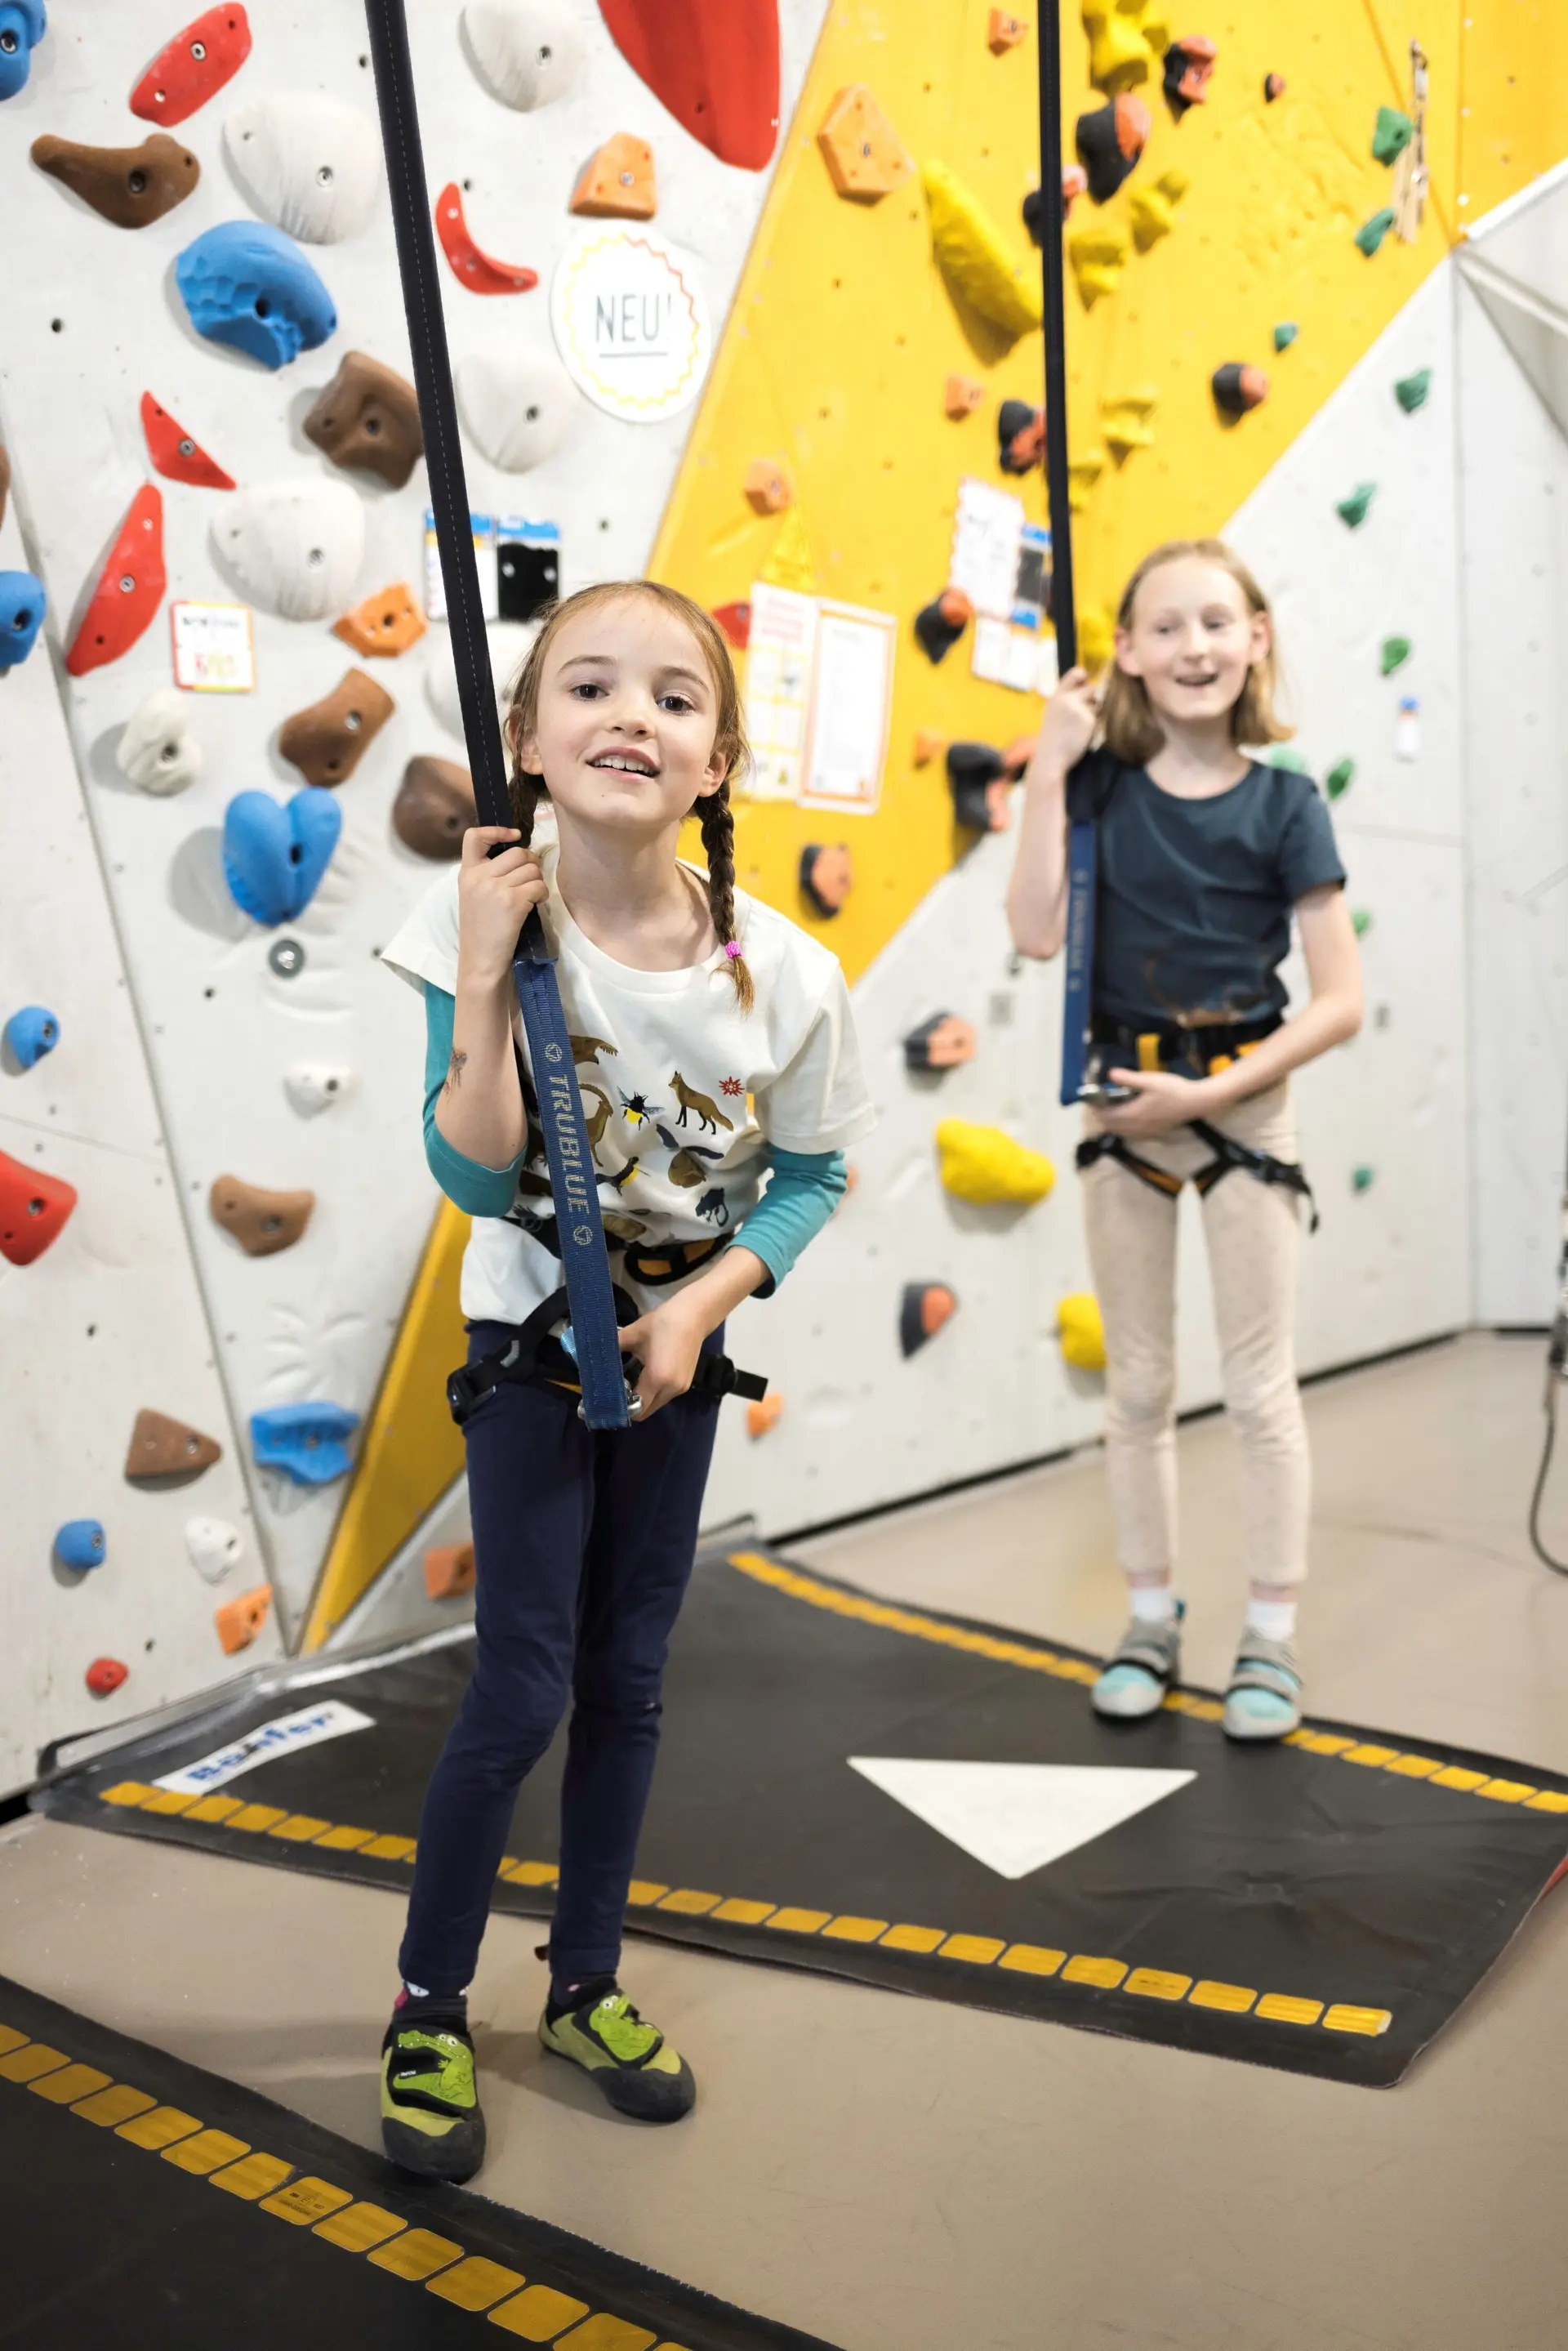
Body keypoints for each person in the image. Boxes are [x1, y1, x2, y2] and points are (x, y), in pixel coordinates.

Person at [376, 579, 875, 2180]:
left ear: (719, 755)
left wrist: (697, 1311)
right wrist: (478, 977)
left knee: (633, 1674)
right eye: (587, 687)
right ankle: (428, 2002)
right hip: (532, 1345)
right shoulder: (479, 934)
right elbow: (472, 1177)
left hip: (678, 1355)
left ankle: (583, 1978)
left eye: (673, 697)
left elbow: (809, 1179)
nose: (629, 717)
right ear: (524, 739)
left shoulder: (780, 972)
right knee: (524, 1679)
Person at [1007, 538, 1361, 1742]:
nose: (1195, 646)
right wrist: (1049, 771)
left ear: (1256, 635)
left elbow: (1338, 999)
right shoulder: (1097, 784)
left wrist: (1207, 1101)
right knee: (1141, 1385)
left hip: (1242, 1099)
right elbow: (1037, 932)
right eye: (1167, 627)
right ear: (1129, 653)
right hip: (1125, 1096)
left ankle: (1270, 1635)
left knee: (1260, 1388)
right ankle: (1149, 1616)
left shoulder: (1286, 804)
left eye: (1218, 621)